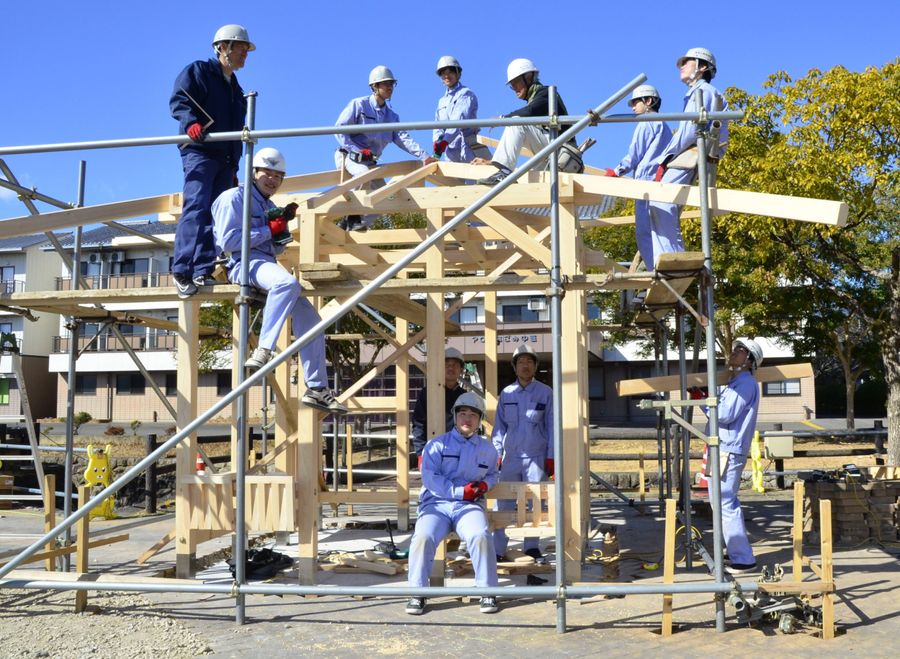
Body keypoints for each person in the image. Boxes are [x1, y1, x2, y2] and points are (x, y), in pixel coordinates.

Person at [211, 147, 347, 415]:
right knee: (287, 284)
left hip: (265, 264)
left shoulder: (270, 206)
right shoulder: (234, 198)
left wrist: (280, 234)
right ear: (254, 173)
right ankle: (264, 350)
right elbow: (228, 242)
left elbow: (275, 249)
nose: (272, 180)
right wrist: (266, 231)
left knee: (311, 321)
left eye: (278, 176)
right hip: (241, 264)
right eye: (267, 174)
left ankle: (317, 388)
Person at [170, 25, 253, 299]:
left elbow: (236, 130)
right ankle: (182, 270)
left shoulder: (236, 90)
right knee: (196, 206)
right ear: (223, 47)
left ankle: (202, 269)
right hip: (200, 151)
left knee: (216, 213)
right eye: (241, 49)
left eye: (245, 50)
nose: (244, 55)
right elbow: (180, 98)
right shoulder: (200, 71)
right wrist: (190, 122)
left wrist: (234, 167)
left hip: (225, 158)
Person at [406, 392, 500, 615]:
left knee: (480, 536)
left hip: (468, 507)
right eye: (463, 414)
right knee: (423, 537)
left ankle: (487, 592)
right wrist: (460, 491)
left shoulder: (487, 449)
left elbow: (494, 474)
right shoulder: (436, 445)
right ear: (455, 417)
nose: (467, 419)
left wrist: (485, 485)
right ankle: (417, 593)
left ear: (479, 420)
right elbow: (430, 478)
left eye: (473, 415)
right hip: (436, 505)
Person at [647, 47, 729, 267]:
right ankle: (669, 258)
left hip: (692, 153)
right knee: (662, 205)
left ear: (703, 67)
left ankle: (672, 259)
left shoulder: (706, 92)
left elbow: (690, 132)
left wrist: (666, 157)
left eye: (687, 62)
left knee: (660, 201)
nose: (681, 66)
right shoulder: (695, 93)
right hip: (691, 151)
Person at [334, 66, 438, 231]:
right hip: (349, 155)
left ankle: (354, 225)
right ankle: (352, 215)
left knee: (383, 199)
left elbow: (403, 138)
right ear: (375, 86)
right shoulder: (359, 105)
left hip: (370, 162)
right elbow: (339, 130)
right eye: (385, 84)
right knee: (362, 174)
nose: (389, 87)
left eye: (391, 84)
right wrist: (356, 150)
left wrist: (424, 156)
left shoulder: (391, 117)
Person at [700, 337, 762, 574]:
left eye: (740, 350)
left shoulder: (745, 383)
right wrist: (704, 398)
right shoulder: (734, 383)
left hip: (729, 449)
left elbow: (724, 414)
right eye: (735, 349)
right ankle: (733, 551)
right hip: (723, 448)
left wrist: (703, 401)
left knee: (725, 502)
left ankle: (743, 558)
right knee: (720, 502)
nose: (733, 353)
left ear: (749, 360)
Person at [475, 58, 580, 186]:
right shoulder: (536, 97)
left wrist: (502, 118)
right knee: (529, 187)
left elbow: (529, 111)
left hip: (564, 154)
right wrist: (491, 163)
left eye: (516, 82)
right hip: (553, 154)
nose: (514, 88)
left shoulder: (545, 93)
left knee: (517, 123)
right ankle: (504, 171)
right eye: (511, 85)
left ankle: (505, 172)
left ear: (529, 77)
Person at [491, 344, 553, 560]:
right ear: (515, 367)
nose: (524, 366)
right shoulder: (507, 394)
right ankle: (498, 548)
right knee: (504, 501)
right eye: (520, 362)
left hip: (536, 456)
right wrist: (495, 453)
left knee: (535, 501)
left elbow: (552, 425)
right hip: (510, 458)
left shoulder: (546, 393)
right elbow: (499, 427)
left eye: (529, 362)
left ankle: (531, 546)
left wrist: (551, 456)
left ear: (535, 366)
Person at [603, 85, 673, 271]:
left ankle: (655, 272)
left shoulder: (646, 122)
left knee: (644, 233)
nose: (633, 108)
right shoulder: (665, 125)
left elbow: (634, 155)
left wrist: (617, 171)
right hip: (660, 182)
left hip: (645, 183)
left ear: (648, 101)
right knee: (660, 232)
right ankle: (662, 269)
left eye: (636, 102)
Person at [411, 347, 467, 468]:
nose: (451, 368)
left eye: (455, 365)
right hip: (432, 452)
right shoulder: (427, 393)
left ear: (461, 369)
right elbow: (418, 424)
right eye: (446, 364)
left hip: (460, 453)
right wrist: (421, 453)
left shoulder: (465, 396)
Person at [432, 56, 492, 163]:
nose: (446, 75)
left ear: (458, 73)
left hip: (469, 147)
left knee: (474, 178)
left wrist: (444, 141)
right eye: (443, 73)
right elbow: (438, 125)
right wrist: (437, 142)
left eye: (450, 71)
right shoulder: (442, 101)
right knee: (451, 179)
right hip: (451, 151)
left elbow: (458, 120)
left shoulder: (466, 94)